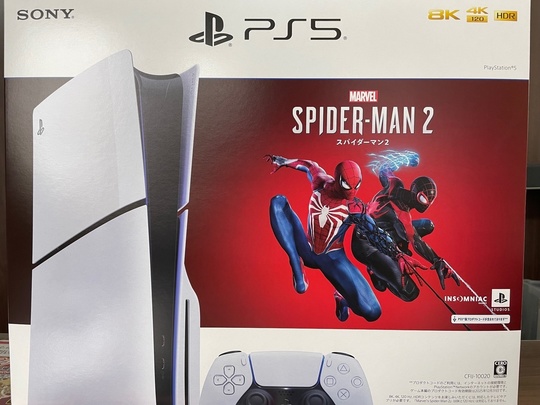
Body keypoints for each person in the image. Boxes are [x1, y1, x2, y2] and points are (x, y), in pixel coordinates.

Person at [266, 155, 424, 322]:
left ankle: (342, 297)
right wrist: (283, 161)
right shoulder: (320, 182)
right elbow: (308, 164)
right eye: (347, 185)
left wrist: (398, 255)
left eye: (357, 186)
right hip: (307, 247)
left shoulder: (354, 208)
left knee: (373, 312)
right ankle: (295, 262)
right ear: (337, 179)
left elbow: (376, 233)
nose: (352, 191)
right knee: (278, 202)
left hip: (333, 259)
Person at [351, 150, 459, 299]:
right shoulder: (400, 209)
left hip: (385, 233)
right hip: (364, 243)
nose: (425, 204)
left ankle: (393, 254)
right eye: (423, 198)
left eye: (429, 201)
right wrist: (436, 260)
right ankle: (375, 270)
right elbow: (416, 241)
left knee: (427, 225)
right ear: (416, 192)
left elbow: (384, 169)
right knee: (409, 293)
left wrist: (406, 159)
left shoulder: (395, 188)